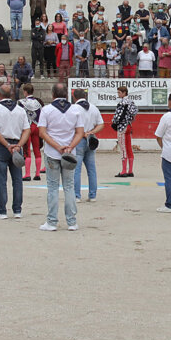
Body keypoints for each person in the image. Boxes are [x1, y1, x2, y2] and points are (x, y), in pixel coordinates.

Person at [36, 83, 85, 231]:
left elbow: (42, 132)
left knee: (52, 187)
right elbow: (80, 132)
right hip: (69, 153)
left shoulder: (47, 110)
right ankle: (72, 221)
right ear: (67, 94)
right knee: (69, 187)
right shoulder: (76, 110)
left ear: (52, 95)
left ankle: (51, 221)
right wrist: (70, 147)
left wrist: (57, 147)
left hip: (52, 152)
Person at [0, 84, 30, 219]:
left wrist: (7, 145)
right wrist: (19, 145)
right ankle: (17, 209)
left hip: (2, 145)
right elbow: (26, 130)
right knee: (17, 179)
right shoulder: (20, 110)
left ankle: (2, 210)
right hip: (17, 144)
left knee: (1, 179)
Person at [72, 87, 104, 202]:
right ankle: (92, 195)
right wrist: (91, 132)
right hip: (90, 138)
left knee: (76, 169)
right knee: (91, 169)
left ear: (74, 97)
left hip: (78, 138)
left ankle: (76, 195)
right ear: (85, 96)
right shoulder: (94, 107)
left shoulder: (73, 108)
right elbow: (101, 124)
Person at [19, 82, 44, 181]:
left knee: (27, 150)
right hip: (37, 126)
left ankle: (27, 174)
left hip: (27, 127)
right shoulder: (39, 102)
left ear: (25, 92)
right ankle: (37, 173)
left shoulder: (21, 102)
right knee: (37, 150)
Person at [112, 85, 138, 177]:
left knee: (123, 149)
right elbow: (135, 112)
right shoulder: (131, 102)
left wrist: (114, 122)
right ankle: (130, 170)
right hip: (129, 126)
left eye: (119, 92)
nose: (118, 94)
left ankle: (123, 171)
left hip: (122, 127)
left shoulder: (122, 103)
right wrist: (130, 119)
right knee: (129, 148)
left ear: (124, 93)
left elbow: (117, 116)